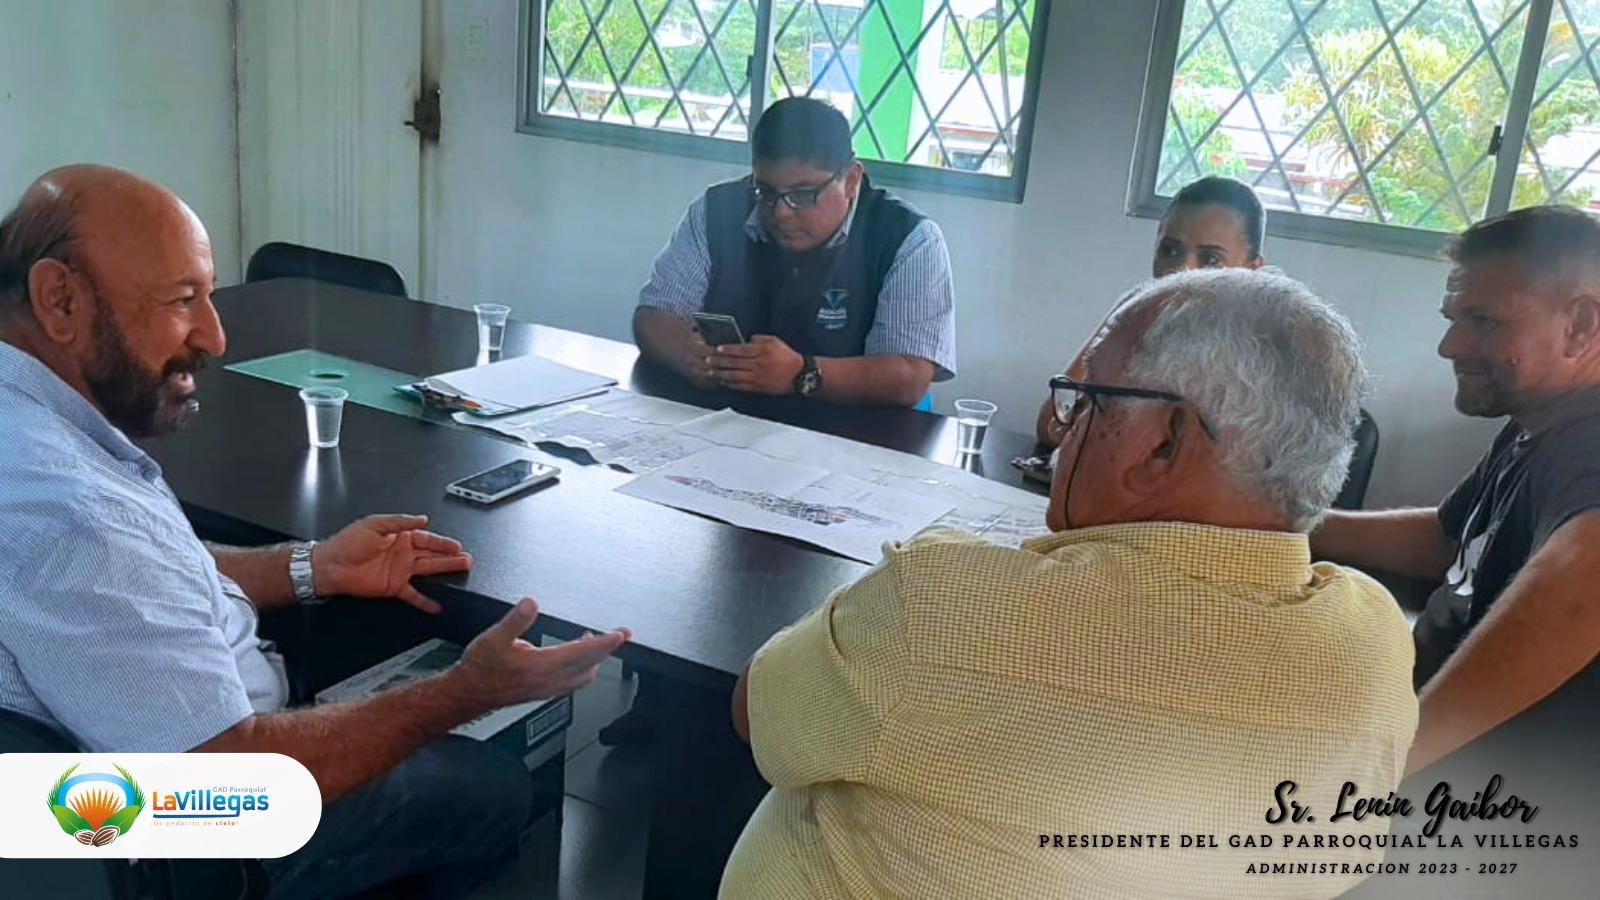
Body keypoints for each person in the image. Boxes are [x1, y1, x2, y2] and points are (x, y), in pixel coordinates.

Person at [0, 165, 630, 899]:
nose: (215, 336)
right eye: (181, 300)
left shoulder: (32, 431)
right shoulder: (72, 511)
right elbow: (228, 786)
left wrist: (313, 567)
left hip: (127, 768)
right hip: (180, 838)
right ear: (60, 299)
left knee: (388, 624)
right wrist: (465, 693)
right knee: (494, 787)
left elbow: (143, 576)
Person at [723, 268, 1418, 899]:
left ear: (1164, 442)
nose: (1064, 429)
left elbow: (758, 712)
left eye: (1089, 401)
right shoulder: (1378, 648)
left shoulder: (946, 605)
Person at [1311, 205, 1600, 775]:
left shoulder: (1588, 445)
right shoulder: (1538, 424)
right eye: (1453, 318)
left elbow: (1586, 583)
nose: (1449, 346)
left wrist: (1381, 772)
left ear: (1580, 326)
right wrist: (1293, 523)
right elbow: (1449, 538)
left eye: (1483, 321)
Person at [632, 96, 956, 407]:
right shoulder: (717, 211)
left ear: (851, 180)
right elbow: (654, 314)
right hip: (732, 416)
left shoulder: (908, 239)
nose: (781, 212)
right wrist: (685, 354)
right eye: (766, 192)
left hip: (856, 429)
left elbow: (909, 374)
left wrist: (801, 374)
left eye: (802, 195)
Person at [1035, 175, 1265, 444]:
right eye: (1170, 251)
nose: (1182, 270)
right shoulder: (1137, 311)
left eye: (1210, 260)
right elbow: (1051, 422)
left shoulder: (1261, 354)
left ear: (1251, 270)